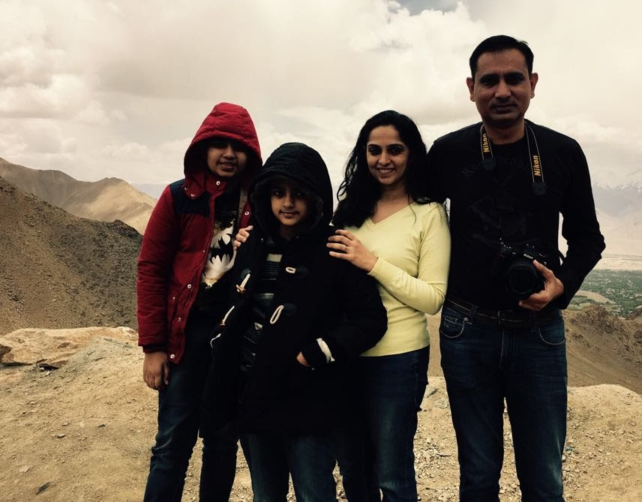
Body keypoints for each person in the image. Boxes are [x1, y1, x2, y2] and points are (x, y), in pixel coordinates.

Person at [428, 36, 606, 502]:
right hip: (467, 330)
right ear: (471, 88)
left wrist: (561, 287)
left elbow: (588, 238)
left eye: (514, 79)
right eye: (490, 81)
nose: (502, 91)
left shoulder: (563, 152)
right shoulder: (447, 152)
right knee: (478, 476)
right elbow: (409, 217)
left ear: (533, 83)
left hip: (539, 333)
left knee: (544, 479)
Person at [201, 142, 387, 502]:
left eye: (299, 193)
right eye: (278, 193)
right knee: (265, 495)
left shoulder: (334, 249)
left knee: (314, 493)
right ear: (265, 195)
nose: (287, 203)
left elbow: (370, 320)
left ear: (316, 197)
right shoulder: (251, 243)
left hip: (307, 402)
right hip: (253, 397)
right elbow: (223, 299)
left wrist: (318, 352)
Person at [137, 102, 262, 502]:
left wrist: (251, 244)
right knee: (173, 441)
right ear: (203, 147)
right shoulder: (178, 197)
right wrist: (153, 347)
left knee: (222, 441)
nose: (229, 154)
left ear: (251, 152)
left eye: (239, 147)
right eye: (220, 144)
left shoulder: (261, 203)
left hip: (233, 339)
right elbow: (151, 269)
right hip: (186, 335)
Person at [328, 110, 451, 502]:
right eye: (374, 150)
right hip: (345, 354)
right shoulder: (349, 210)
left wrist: (372, 263)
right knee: (353, 470)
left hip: (397, 359)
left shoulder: (429, 214)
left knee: (392, 473)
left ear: (412, 153)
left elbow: (432, 298)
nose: (384, 160)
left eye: (395, 150)